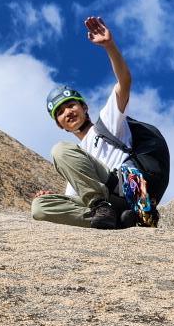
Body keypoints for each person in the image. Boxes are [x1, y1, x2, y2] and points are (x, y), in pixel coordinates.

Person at [31, 16, 146, 229]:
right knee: (40, 207)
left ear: (84, 107)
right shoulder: (75, 159)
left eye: (70, 105)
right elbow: (70, 200)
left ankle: (102, 207)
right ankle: (116, 220)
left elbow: (124, 81)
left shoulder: (109, 122)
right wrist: (53, 198)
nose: (68, 113)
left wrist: (109, 46)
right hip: (107, 206)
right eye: (60, 112)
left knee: (60, 150)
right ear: (60, 125)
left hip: (123, 191)